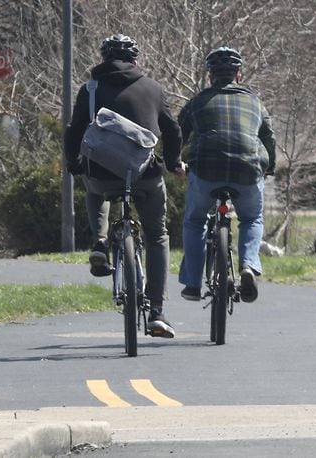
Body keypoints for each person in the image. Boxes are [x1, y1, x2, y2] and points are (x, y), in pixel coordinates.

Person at [64, 34, 183, 338]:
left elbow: (75, 130)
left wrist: (74, 163)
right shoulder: (153, 88)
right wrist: (172, 163)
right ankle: (156, 311)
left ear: (103, 59)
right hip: (144, 174)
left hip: (102, 173)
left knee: (94, 187)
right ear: (135, 61)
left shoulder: (89, 89)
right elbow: (172, 130)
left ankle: (100, 242)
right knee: (157, 235)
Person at [177, 47, 276, 303]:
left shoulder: (198, 101)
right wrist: (270, 167)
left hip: (206, 170)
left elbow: (178, 133)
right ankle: (248, 266)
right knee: (252, 218)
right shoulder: (255, 102)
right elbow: (269, 136)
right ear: (239, 75)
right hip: (247, 171)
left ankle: (192, 283)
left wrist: (174, 162)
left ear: (210, 76)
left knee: (195, 220)